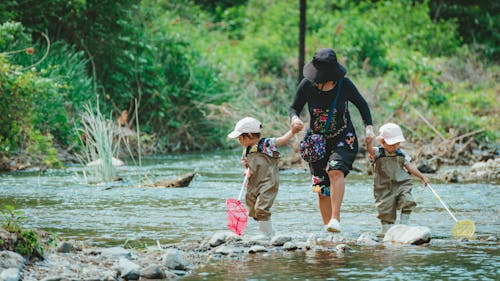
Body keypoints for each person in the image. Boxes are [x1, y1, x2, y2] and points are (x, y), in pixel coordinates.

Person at [289, 48, 375, 232]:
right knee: (321, 188)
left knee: (335, 171)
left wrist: (369, 127)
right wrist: (295, 119)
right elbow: (293, 108)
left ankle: (336, 218)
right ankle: (330, 230)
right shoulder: (306, 85)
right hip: (316, 141)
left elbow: (362, 105)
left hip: (343, 137)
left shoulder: (344, 85)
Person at [228, 117, 301, 237]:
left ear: (250, 135)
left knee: (261, 207)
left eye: (240, 137)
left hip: (268, 181)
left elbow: (281, 140)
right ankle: (267, 229)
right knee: (252, 209)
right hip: (254, 182)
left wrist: (292, 131)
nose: (239, 140)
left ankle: (266, 234)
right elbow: (246, 165)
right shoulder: (246, 151)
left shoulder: (266, 144)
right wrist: (246, 171)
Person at [366, 123, 430, 236]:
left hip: (401, 183)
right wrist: (369, 143)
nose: (395, 147)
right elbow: (370, 151)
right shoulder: (377, 153)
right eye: (392, 144)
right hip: (383, 187)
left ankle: (404, 225)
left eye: (397, 144)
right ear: (382, 142)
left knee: (407, 200)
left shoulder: (401, 154)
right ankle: (386, 230)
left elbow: (409, 166)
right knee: (385, 209)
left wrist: (422, 177)